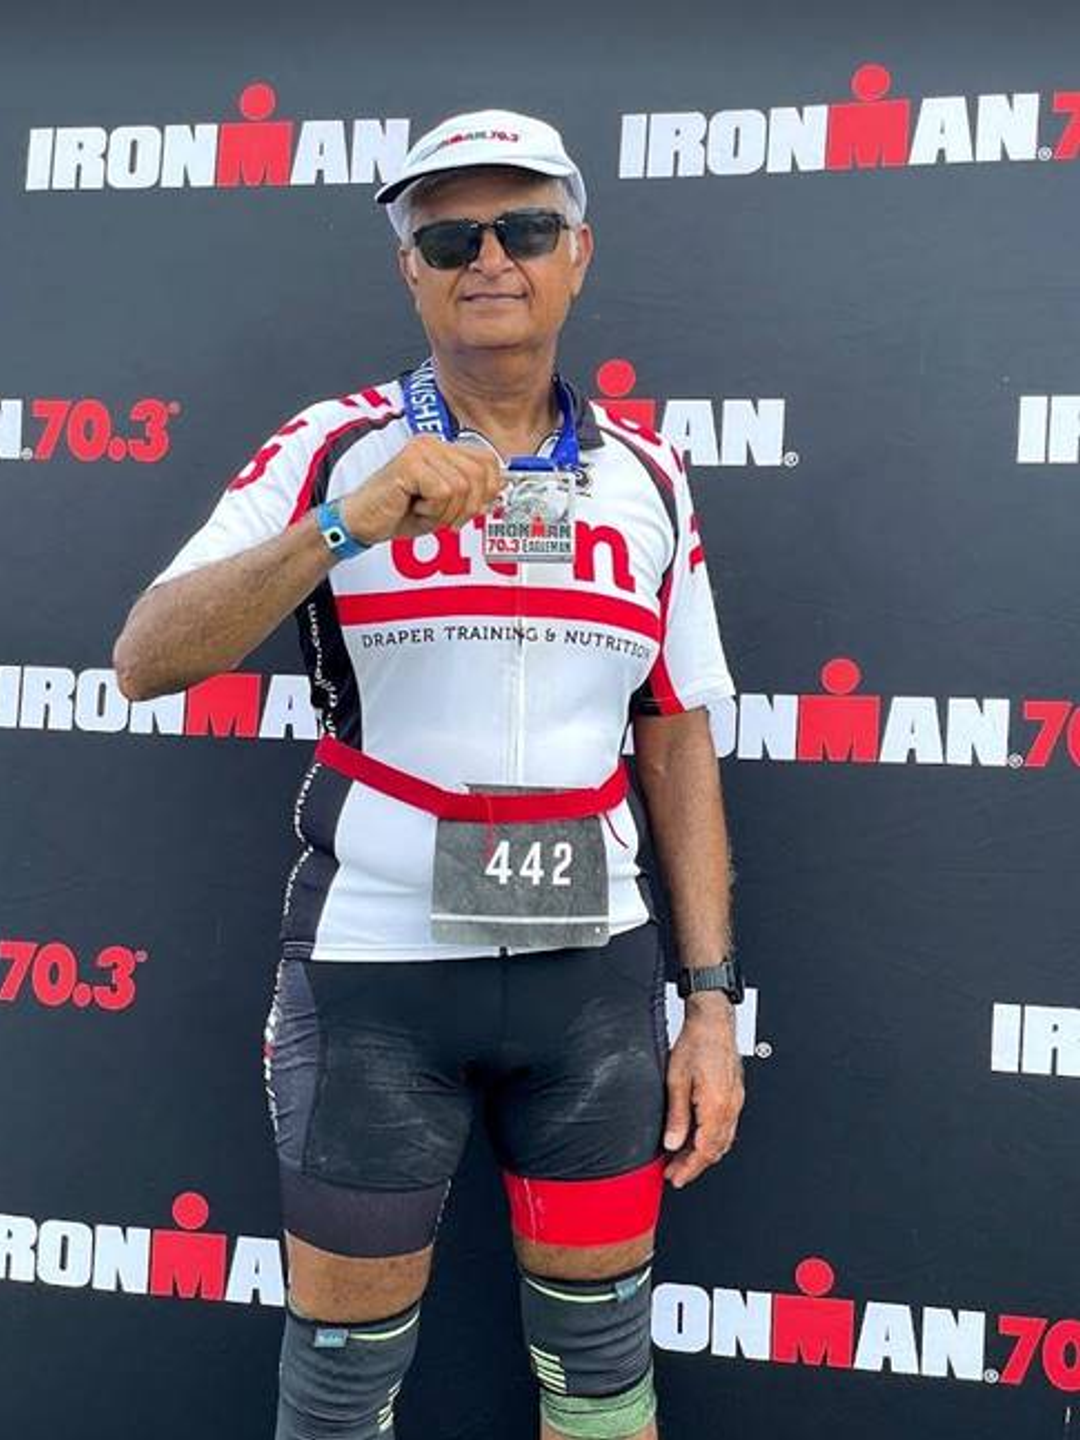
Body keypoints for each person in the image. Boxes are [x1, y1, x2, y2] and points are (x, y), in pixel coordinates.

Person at [112, 107, 745, 1440]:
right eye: (449, 235)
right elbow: (144, 657)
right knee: (342, 1386)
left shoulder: (649, 480)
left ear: (577, 253)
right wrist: (349, 522)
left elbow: (677, 736)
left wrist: (708, 1003)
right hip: (376, 982)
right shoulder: (334, 449)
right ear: (410, 268)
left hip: (592, 988)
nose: (490, 258)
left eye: (523, 228)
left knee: (600, 1367)